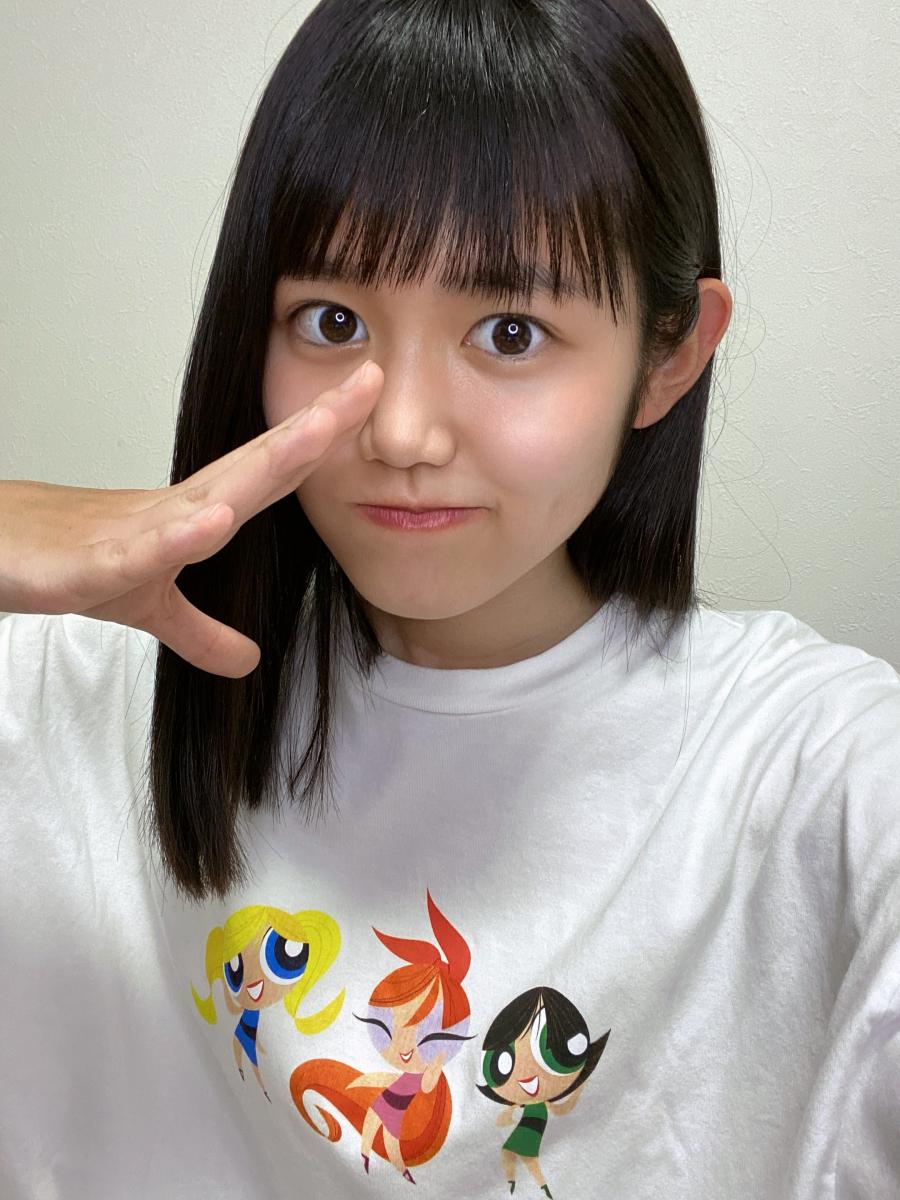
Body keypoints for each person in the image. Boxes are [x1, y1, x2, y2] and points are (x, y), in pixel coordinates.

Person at [1, 1, 897, 1197]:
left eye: (510, 332)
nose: (405, 432)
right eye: (331, 322)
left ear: (670, 354)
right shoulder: (82, 687)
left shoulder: (809, 768)